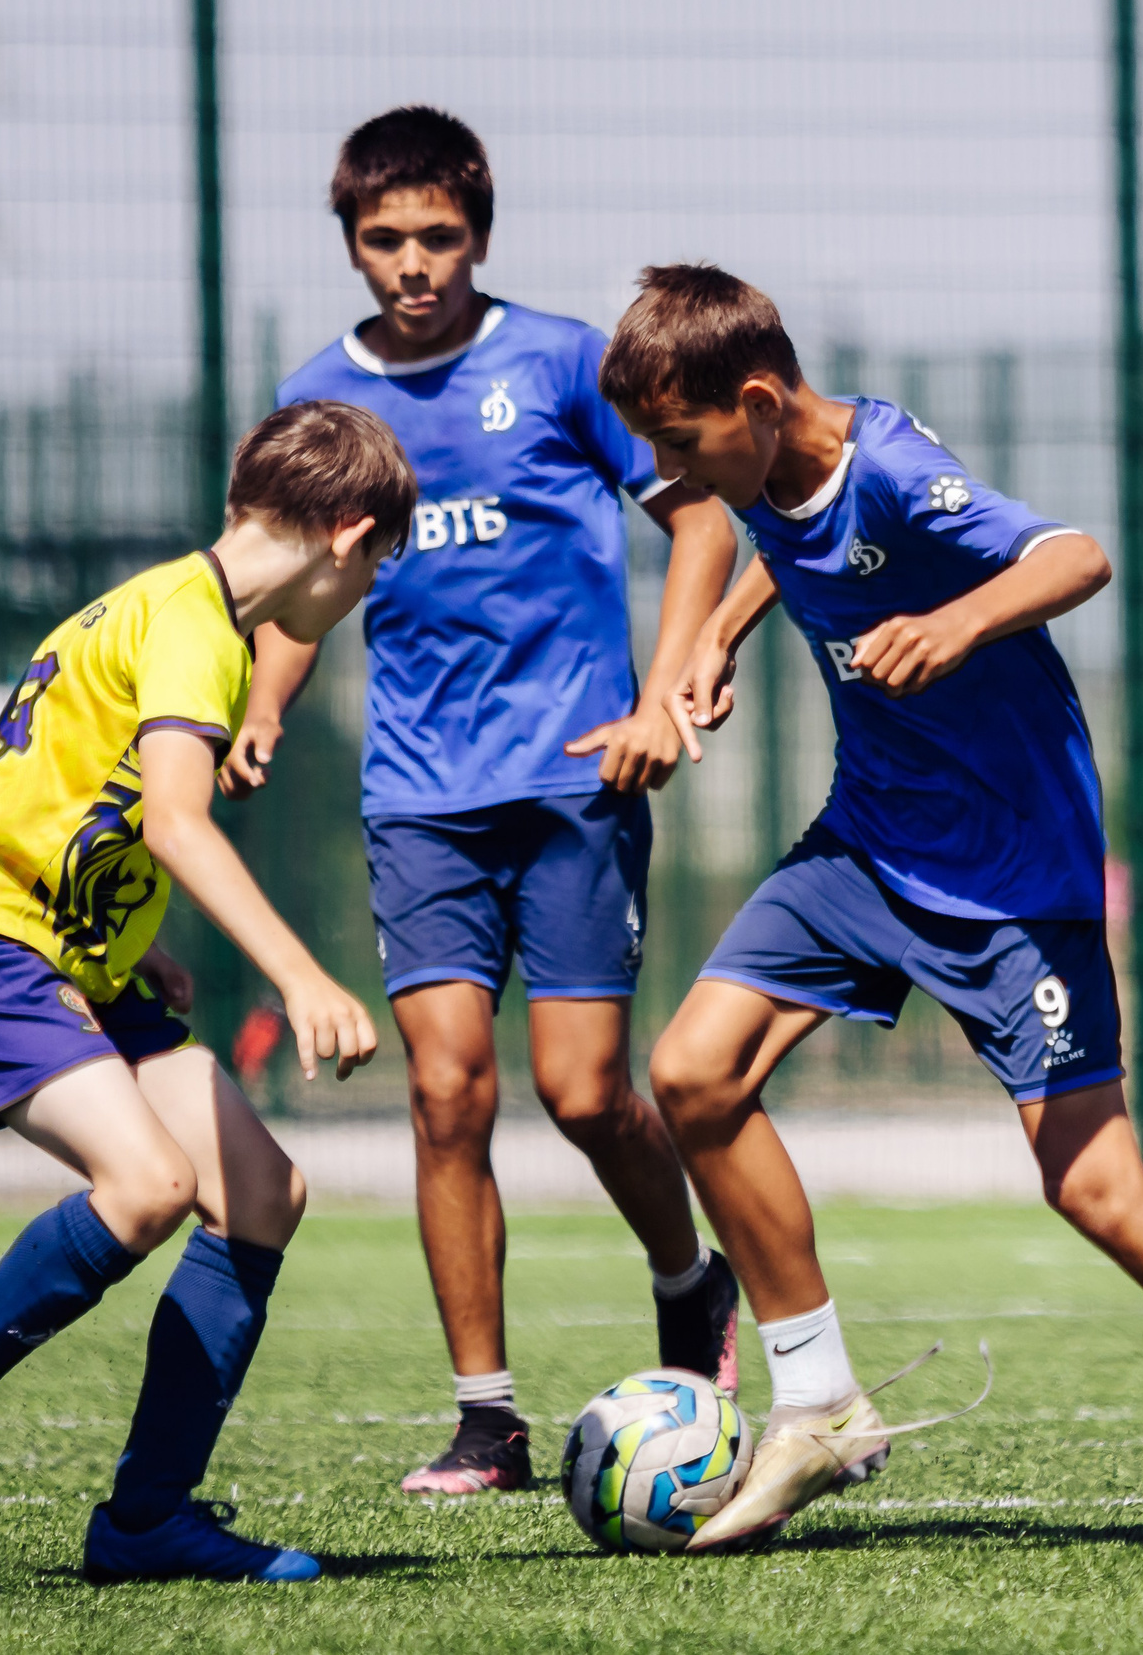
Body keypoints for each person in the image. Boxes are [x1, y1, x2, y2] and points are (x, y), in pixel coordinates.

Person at [602, 264, 1143, 1557]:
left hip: (1010, 875)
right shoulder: (774, 472)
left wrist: (960, 620)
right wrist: (723, 634)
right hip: (867, 843)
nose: (671, 471)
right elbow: (781, 541)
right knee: (694, 1072)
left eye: (680, 442)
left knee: (1093, 1182)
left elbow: (1070, 554)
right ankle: (816, 1401)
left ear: (755, 402)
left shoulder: (895, 468)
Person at [237, 107, 742, 1498]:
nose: (414, 262)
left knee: (586, 1093)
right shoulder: (318, 399)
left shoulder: (564, 361)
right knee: (447, 1093)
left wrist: (664, 689)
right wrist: (267, 704)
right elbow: (295, 585)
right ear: (350, 241)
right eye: (386, 238)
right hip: (419, 798)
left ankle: (689, 1280)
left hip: (576, 780)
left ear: (480, 232)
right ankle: (487, 1417)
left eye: (438, 237)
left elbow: (702, 516)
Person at [0, 400, 415, 1583]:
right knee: (148, 1185)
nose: (362, 597)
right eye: (376, 568)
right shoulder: (198, 631)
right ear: (346, 536)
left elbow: (66, 782)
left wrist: (118, 933)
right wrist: (303, 976)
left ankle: (148, 1519)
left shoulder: (168, 601)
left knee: (259, 1193)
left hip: (66, 951)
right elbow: (173, 820)